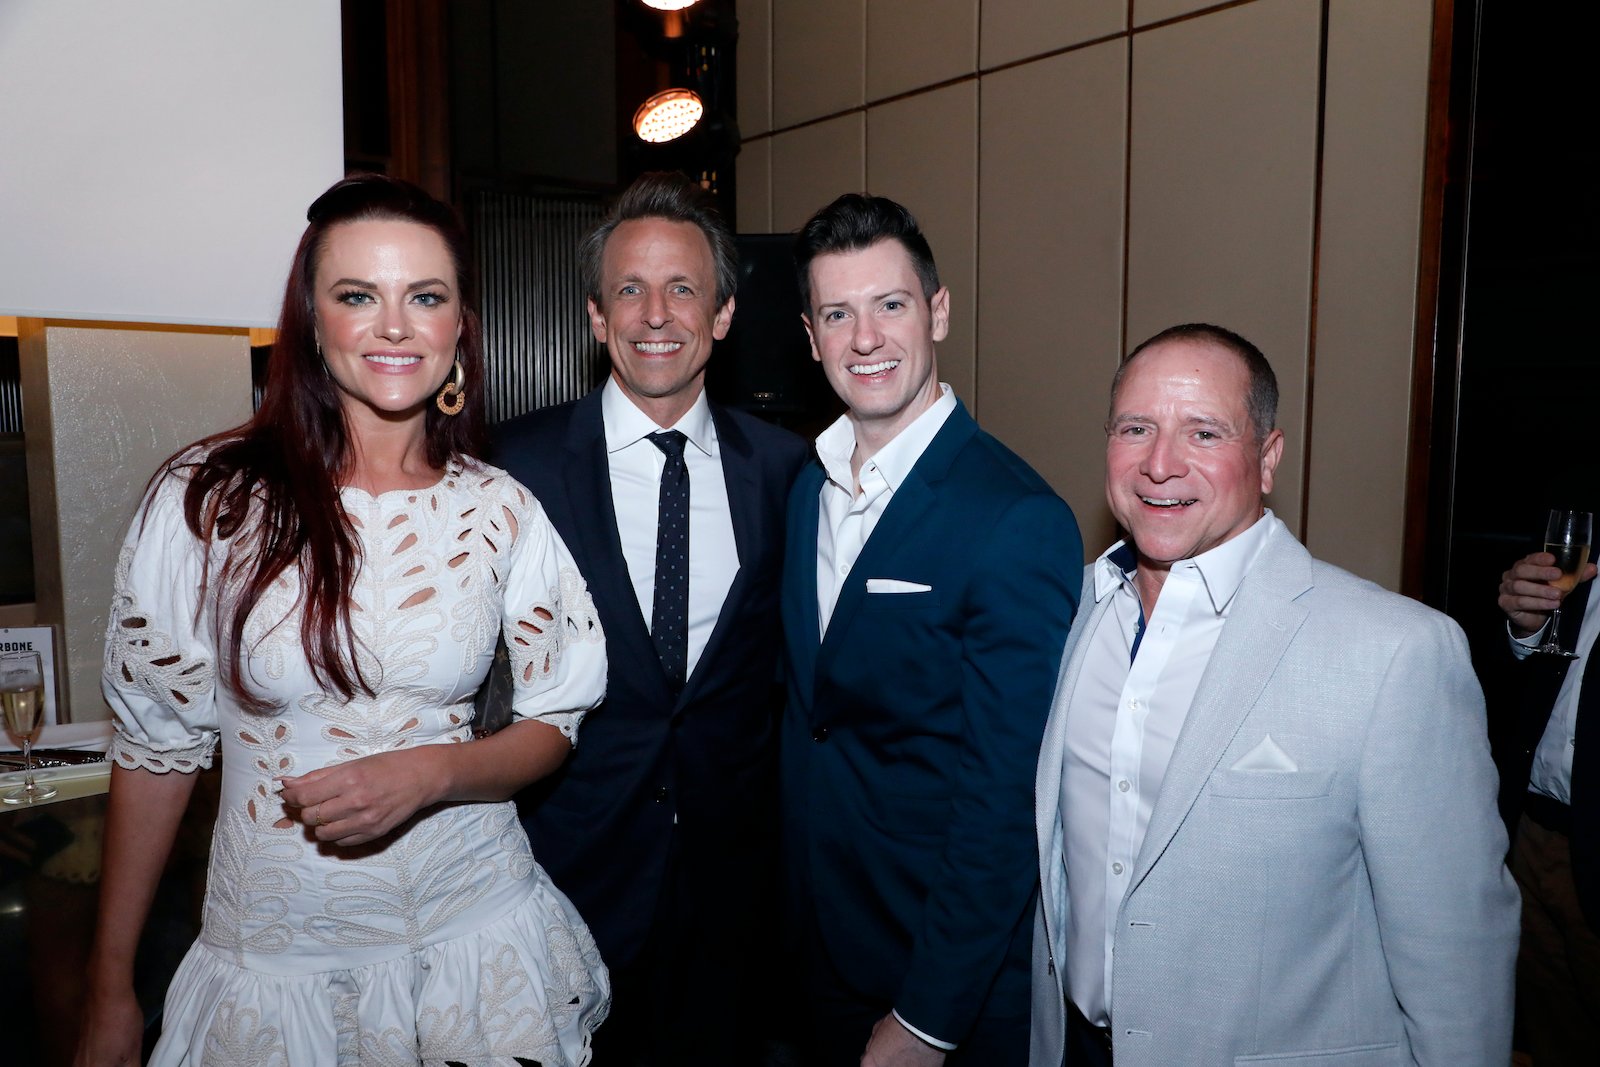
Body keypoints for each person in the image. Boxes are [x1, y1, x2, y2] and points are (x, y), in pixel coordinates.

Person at [76, 174, 610, 1067]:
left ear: (457, 329)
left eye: (425, 297)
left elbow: (556, 718)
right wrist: (109, 983)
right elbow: (156, 752)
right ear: (313, 326)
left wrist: (434, 773)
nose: (395, 325)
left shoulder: (501, 508)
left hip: (476, 947)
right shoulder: (209, 503)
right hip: (279, 972)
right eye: (358, 295)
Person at [1029, 323, 1520, 1067]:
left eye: (1203, 432)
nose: (1160, 464)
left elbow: (1459, 959)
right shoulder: (1070, 613)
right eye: (1136, 428)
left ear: (1267, 457)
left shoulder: (1396, 653)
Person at [493, 172, 809, 1065]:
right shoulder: (515, 468)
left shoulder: (791, 474)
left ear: (723, 315)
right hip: (564, 877)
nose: (655, 313)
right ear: (597, 318)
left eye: (683, 289)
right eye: (629, 289)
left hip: (735, 900)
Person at [781, 193, 1082, 1066]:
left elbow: (1007, 799)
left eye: (891, 304)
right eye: (838, 313)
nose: (865, 337)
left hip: (940, 976)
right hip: (819, 950)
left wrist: (928, 1018)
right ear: (810, 337)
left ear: (938, 311)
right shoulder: (811, 487)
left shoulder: (1015, 516)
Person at [1495, 547, 1600, 1064]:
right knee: (1550, 1027)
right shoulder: (1585, 558)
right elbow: (1534, 683)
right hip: (1535, 831)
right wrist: (1526, 629)